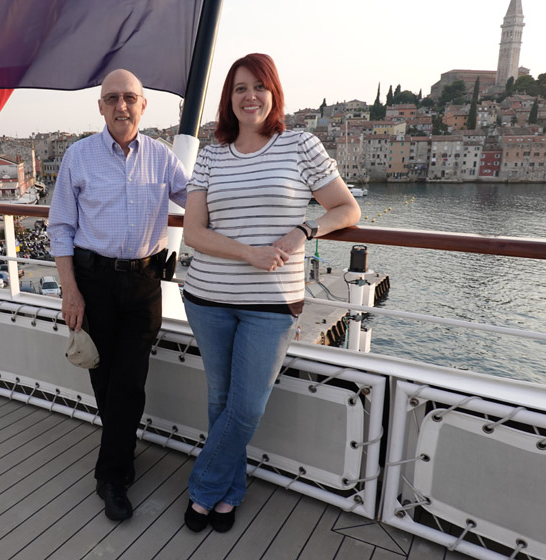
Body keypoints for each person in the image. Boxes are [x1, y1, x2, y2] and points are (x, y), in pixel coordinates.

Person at [181, 53, 360, 533]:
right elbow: (194, 233)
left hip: (272, 305)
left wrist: (304, 230)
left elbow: (346, 208)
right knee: (220, 401)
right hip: (208, 297)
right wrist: (250, 254)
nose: (250, 96)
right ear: (229, 98)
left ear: (274, 93)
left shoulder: (300, 145)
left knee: (246, 406)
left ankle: (202, 489)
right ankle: (228, 494)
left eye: (259, 86)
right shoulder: (212, 152)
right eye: (240, 88)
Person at [48, 69, 188, 521]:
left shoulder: (164, 159)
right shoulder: (78, 156)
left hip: (145, 282)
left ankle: (110, 476)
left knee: (129, 380)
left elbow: (199, 203)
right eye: (113, 98)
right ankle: (121, 455)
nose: (122, 105)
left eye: (130, 98)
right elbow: (61, 227)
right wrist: (70, 292)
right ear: (101, 107)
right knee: (103, 379)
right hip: (94, 282)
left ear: (143, 106)